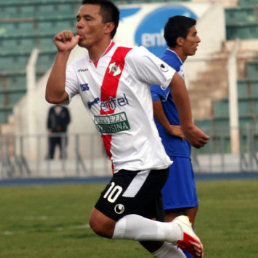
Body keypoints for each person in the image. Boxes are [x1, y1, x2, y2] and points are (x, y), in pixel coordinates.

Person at [45, 1, 209, 257]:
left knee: (100, 222)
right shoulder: (79, 68)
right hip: (125, 165)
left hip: (144, 163)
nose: (79, 24)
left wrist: (186, 126)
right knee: (150, 241)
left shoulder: (130, 56)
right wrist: (63, 53)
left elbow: (174, 80)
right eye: (78, 18)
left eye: (88, 19)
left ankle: (178, 231)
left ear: (108, 27)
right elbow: (55, 96)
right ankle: (176, 238)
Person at [150, 15, 203, 258]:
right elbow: (153, 95)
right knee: (177, 214)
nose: (198, 39)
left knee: (187, 209)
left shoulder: (175, 64)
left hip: (177, 149)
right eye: (194, 35)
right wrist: (170, 127)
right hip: (170, 149)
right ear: (180, 40)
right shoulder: (167, 64)